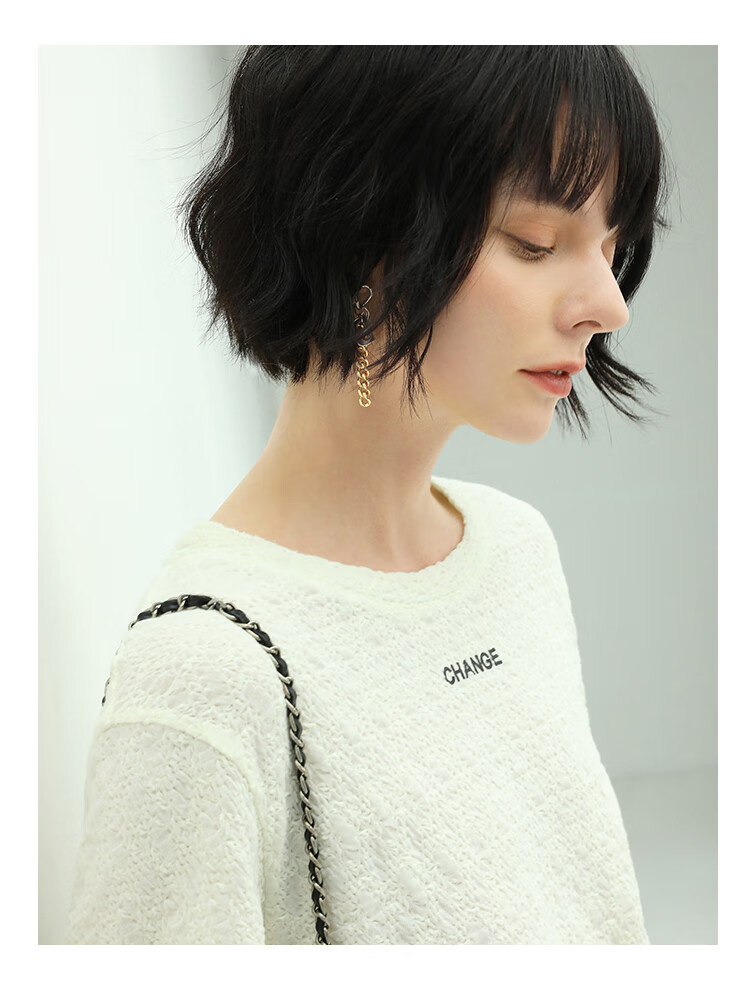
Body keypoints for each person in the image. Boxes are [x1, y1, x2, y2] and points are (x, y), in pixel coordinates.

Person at [66, 45, 673, 945]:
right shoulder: (207, 672)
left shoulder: (514, 548)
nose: (608, 305)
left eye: (612, 248)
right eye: (536, 244)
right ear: (361, 240)